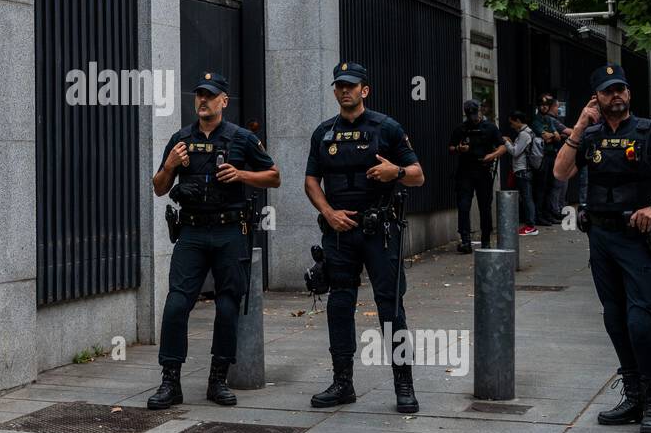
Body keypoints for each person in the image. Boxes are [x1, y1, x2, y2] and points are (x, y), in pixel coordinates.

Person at [553, 64, 651, 433]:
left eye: (621, 89)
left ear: (628, 94)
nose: (615, 95)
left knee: (640, 320)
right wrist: (581, 125)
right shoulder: (591, 135)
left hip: (638, 237)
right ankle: (633, 395)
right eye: (607, 91)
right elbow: (561, 173)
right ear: (596, 98)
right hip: (600, 237)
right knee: (614, 319)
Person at [148, 72, 280, 410]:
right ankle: (170, 381)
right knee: (177, 303)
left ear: (224, 100)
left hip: (229, 231)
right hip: (191, 232)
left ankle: (217, 380)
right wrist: (170, 164)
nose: (203, 100)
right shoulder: (181, 139)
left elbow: (274, 176)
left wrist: (242, 175)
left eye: (211, 95)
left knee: (226, 306)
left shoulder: (241, 138)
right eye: (199, 95)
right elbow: (160, 187)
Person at [305, 62, 425, 412]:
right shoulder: (323, 133)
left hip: (379, 233)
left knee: (391, 307)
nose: (346, 91)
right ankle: (343, 383)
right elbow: (311, 180)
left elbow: (418, 175)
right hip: (339, 234)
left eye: (352, 85)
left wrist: (395, 171)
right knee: (339, 305)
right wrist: (329, 213)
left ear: (364, 91)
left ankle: (404, 385)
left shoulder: (386, 128)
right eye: (340, 86)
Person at [447, 99, 506, 252]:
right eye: (470, 114)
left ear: (480, 111)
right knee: (463, 206)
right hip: (465, 171)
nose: (473, 117)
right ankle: (465, 241)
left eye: (475, 113)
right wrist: (459, 149)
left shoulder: (490, 128)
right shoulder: (461, 129)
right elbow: (451, 147)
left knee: (485, 207)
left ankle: (486, 240)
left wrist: (492, 156)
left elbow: (502, 146)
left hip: (484, 169)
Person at [533, 94, 571, 224]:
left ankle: (547, 214)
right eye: (542, 105)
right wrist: (552, 135)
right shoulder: (536, 120)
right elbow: (546, 137)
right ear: (538, 106)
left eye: (546, 105)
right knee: (541, 188)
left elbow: (556, 137)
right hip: (541, 157)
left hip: (550, 155)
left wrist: (553, 135)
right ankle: (539, 216)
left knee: (549, 186)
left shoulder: (548, 120)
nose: (544, 107)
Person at [506, 110, 541, 235]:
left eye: (512, 123)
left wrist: (506, 142)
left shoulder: (524, 135)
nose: (511, 126)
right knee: (526, 197)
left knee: (527, 198)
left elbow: (515, 152)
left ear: (518, 121)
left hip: (523, 170)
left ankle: (530, 226)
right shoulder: (528, 133)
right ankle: (529, 224)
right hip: (524, 170)